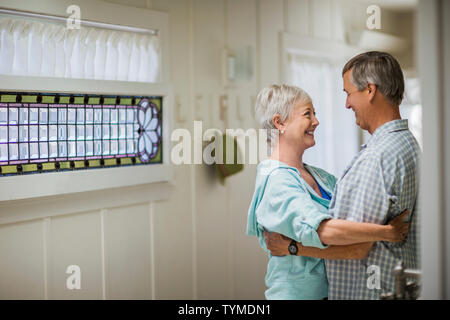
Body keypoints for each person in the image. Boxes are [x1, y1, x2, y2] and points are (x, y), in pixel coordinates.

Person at [264, 51, 421, 300]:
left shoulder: (376, 159)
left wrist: (292, 247)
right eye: (307, 114)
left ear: (370, 90)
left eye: (348, 93)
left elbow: (356, 246)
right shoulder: (407, 143)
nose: (347, 104)